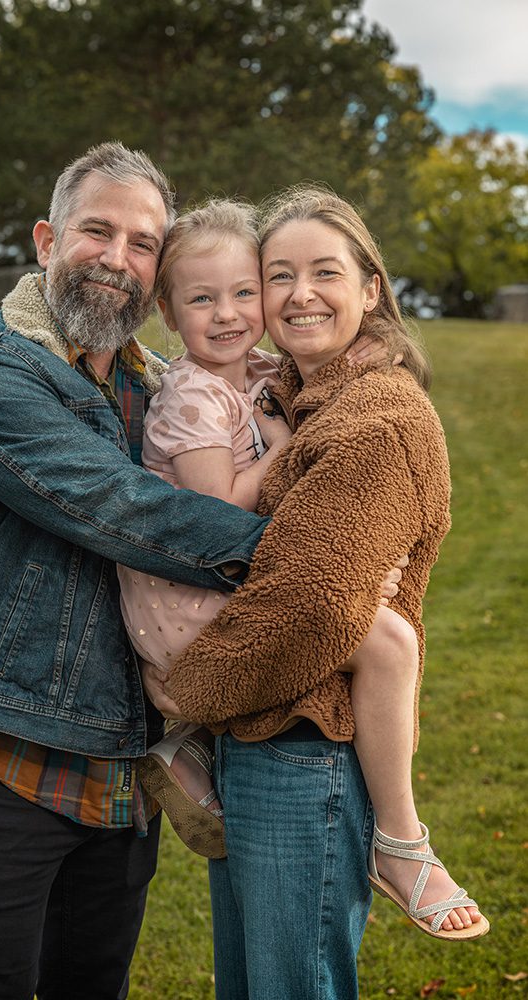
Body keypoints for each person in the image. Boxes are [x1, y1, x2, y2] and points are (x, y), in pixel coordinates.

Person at [0, 142, 276, 1000]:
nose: (118, 259)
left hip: (123, 774)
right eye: (96, 231)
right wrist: (317, 556)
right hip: (7, 763)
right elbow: (127, 512)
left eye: (143, 242)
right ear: (46, 240)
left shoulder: (152, 391)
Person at [144, 186, 488, 1000]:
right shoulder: (288, 393)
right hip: (257, 733)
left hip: (305, 746)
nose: (298, 294)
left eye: (324, 273)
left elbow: (314, 606)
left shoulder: (373, 416)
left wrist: (191, 699)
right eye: (279, 274)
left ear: (370, 287)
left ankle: (403, 843)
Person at [117, 198, 401, 859]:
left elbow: (331, 372)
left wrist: (374, 347)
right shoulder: (192, 395)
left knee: (367, 625)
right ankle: (397, 831)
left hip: (211, 581)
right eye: (202, 300)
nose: (228, 314)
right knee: (380, 638)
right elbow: (218, 505)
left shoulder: (254, 371)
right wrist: (276, 449)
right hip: (185, 592)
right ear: (167, 313)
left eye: (245, 292)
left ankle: (190, 748)